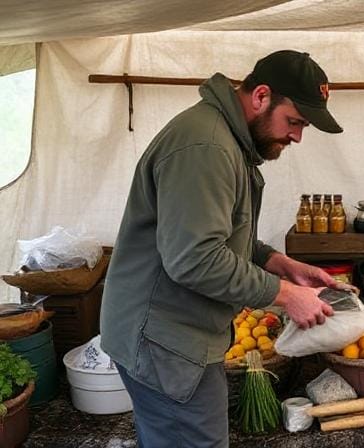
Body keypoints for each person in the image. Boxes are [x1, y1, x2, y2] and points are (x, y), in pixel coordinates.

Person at [100, 50, 343, 447]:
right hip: (166, 341)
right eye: (295, 121)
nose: (297, 136)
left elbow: (220, 234)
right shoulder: (207, 147)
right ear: (261, 96)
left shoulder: (225, 138)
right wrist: (285, 295)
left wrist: (278, 262)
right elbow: (194, 258)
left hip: (174, 334)